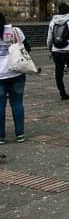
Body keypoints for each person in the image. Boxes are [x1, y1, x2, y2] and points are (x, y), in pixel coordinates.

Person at [0, 12, 28, 144]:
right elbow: (27, 48)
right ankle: (20, 134)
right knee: (17, 104)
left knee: (0, 106)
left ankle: (1, 136)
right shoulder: (14, 30)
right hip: (16, 73)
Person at [47, 3, 69, 100]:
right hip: (68, 50)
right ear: (68, 10)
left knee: (59, 72)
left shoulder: (53, 21)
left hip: (56, 50)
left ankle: (62, 93)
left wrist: (50, 48)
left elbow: (49, 37)